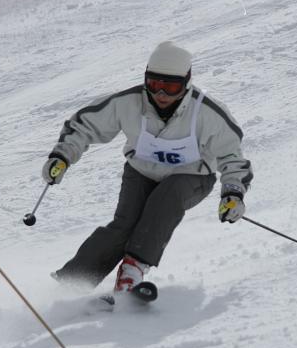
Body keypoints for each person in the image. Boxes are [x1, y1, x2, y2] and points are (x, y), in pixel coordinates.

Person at [43, 41, 253, 298]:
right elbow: (85, 125)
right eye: (154, 84)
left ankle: (131, 273)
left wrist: (232, 193)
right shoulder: (128, 102)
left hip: (191, 176)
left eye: (171, 87)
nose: (161, 94)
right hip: (141, 172)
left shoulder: (207, 113)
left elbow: (232, 157)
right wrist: (63, 156)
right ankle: (73, 284)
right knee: (124, 225)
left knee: (166, 199)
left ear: (186, 83)